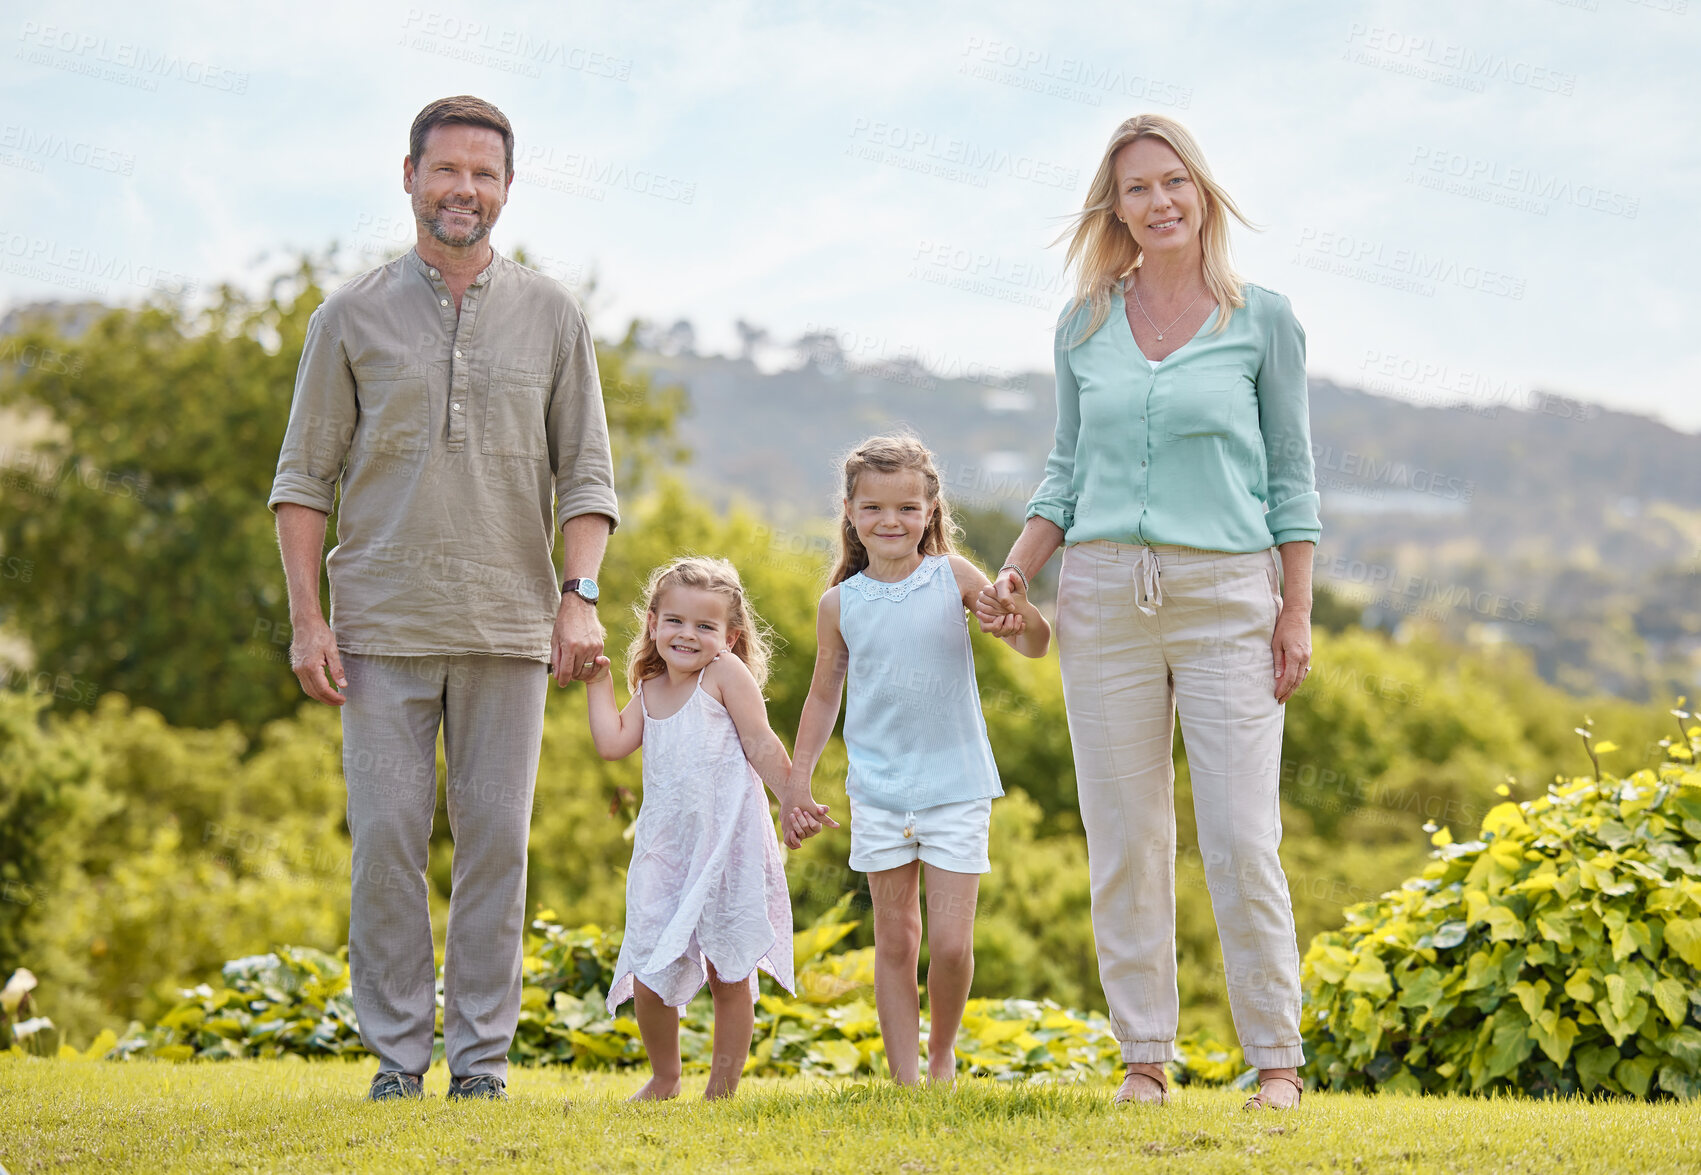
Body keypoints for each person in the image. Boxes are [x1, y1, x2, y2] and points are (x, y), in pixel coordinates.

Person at [268, 95, 618, 1102]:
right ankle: (394, 1057)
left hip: (512, 627)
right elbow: (302, 482)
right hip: (381, 625)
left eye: (485, 173)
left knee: (496, 845)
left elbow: (585, 475)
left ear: (507, 189)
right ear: (410, 176)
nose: (465, 189)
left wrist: (579, 597)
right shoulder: (349, 316)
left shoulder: (554, 316)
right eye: (448, 169)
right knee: (385, 839)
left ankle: (481, 1062)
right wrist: (306, 617)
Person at [977, 114, 1320, 1111]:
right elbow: (1066, 469)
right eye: (1137, 188)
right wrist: (1017, 570)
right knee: (1125, 833)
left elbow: (1292, 482)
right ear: (1114, 207)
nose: (1160, 201)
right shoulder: (1084, 322)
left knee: (1240, 835)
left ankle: (1277, 1061)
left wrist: (1293, 610)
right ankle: (1144, 1057)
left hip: (1227, 600)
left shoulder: (1265, 320)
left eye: (1175, 181)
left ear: (1203, 192)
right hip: (1103, 601)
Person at [787, 434, 1051, 1086]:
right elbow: (823, 695)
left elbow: (1035, 647)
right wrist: (797, 780)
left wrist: (1020, 616)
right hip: (877, 790)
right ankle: (906, 1078)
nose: (890, 521)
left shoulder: (954, 577)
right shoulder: (838, 604)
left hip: (955, 786)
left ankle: (941, 1054)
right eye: (873, 507)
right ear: (849, 511)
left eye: (907, 507)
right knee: (896, 939)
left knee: (951, 943)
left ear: (931, 508)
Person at [587, 557, 805, 1101]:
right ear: (653, 624)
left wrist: (793, 800)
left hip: (726, 845)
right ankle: (665, 1079)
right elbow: (612, 743)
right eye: (675, 621)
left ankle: (722, 1090)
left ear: (728, 638)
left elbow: (761, 742)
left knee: (728, 969)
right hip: (667, 850)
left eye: (705, 626)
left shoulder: (723, 676)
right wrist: (597, 681)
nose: (688, 635)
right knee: (646, 967)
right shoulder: (652, 690)